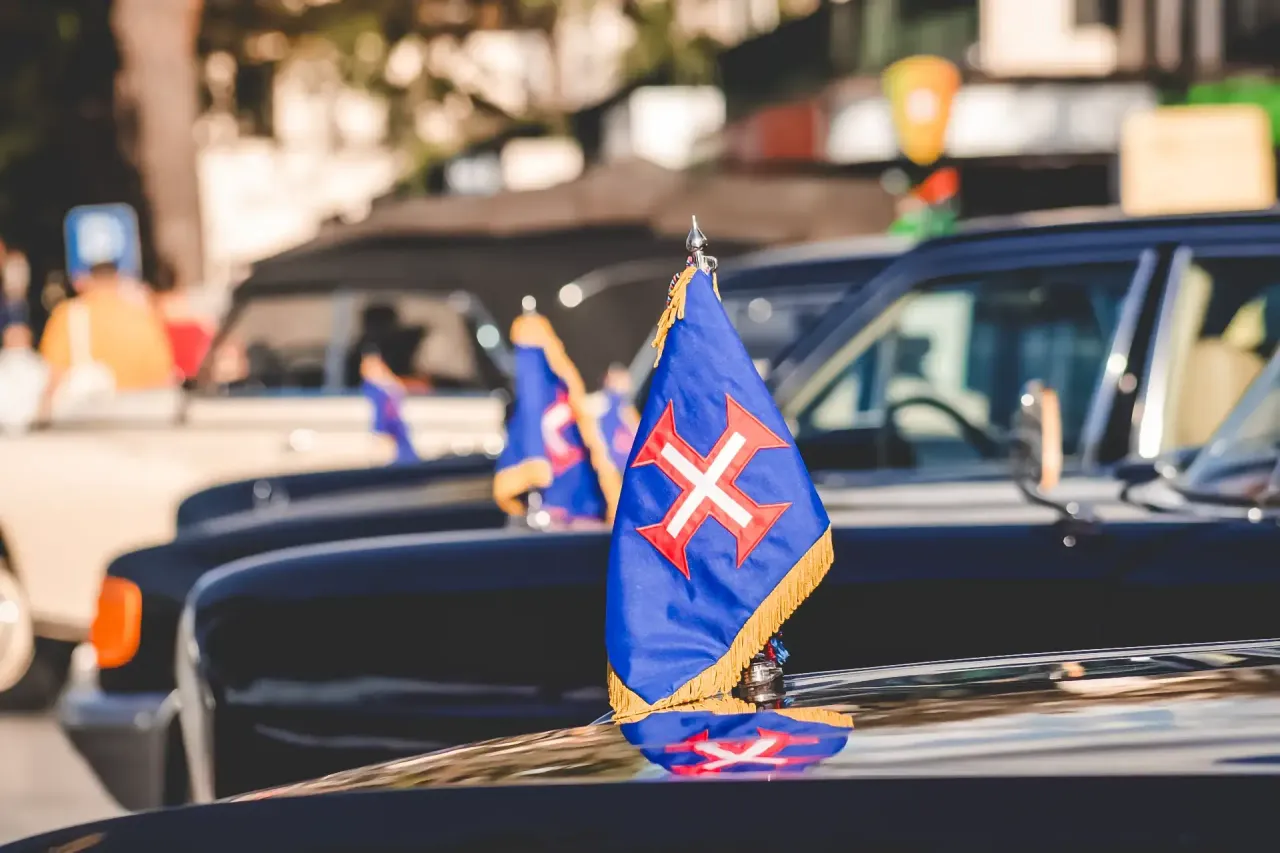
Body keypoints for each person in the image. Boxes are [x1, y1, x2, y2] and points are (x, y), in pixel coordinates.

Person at [38, 260, 175, 420]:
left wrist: (42, 416)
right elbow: (165, 377)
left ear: (88, 280)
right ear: (117, 278)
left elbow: (55, 374)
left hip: (90, 420)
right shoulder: (142, 314)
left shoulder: (69, 315)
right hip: (143, 417)